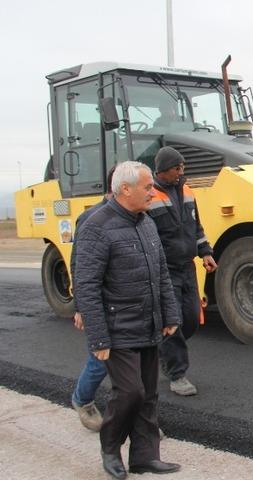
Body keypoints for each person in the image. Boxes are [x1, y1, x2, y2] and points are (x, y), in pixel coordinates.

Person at [74, 161, 182, 478]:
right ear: (125, 189)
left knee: (148, 394)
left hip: (148, 322)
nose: (153, 192)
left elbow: (161, 272)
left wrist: (170, 313)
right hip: (116, 327)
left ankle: (145, 457)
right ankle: (111, 450)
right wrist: (98, 338)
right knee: (130, 392)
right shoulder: (96, 225)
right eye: (148, 187)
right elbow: (87, 285)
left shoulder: (146, 222)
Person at [149, 146, 218, 396]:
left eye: (182, 167)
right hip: (164, 270)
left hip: (187, 266)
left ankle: (163, 349)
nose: (181, 171)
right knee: (173, 321)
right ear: (162, 171)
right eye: (177, 168)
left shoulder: (187, 191)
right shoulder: (149, 196)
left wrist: (206, 252)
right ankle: (177, 374)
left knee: (190, 320)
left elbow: (196, 227)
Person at [69, 166, 115, 431]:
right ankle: (82, 399)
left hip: (126, 303)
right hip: (99, 304)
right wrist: (81, 308)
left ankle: (137, 418)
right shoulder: (90, 218)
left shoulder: (137, 217)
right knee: (99, 363)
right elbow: (80, 267)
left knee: (132, 366)